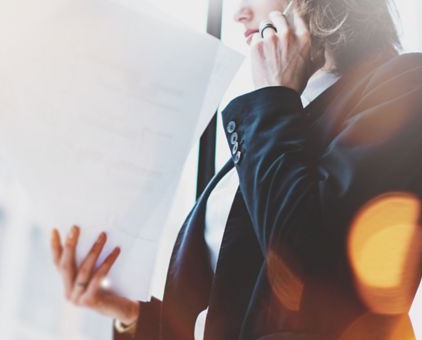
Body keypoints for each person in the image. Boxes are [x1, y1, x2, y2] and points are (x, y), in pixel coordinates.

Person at [50, 0, 422, 338]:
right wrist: (131, 315)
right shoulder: (285, 112)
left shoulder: (404, 86)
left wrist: (275, 98)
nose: (238, 13)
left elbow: (315, 270)